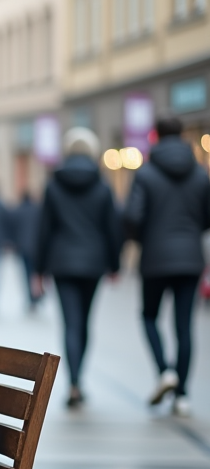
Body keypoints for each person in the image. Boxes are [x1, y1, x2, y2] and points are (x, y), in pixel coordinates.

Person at [124, 116, 210, 417]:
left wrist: (143, 237)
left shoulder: (146, 173)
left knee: (149, 316)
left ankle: (164, 372)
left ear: (156, 135)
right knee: (184, 326)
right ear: (183, 135)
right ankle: (183, 394)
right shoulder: (200, 173)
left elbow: (133, 216)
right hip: (190, 259)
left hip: (156, 258)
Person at [34, 127, 122, 409]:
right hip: (94, 262)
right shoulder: (103, 184)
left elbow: (44, 230)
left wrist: (37, 270)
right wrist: (115, 264)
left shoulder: (53, 184)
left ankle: (73, 384)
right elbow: (113, 227)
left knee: (70, 322)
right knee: (84, 322)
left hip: (62, 262)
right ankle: (77, 379)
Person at [12, 190, 43, 310]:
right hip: (36, 247)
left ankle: (31, 297)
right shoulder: (38, 210)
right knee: (35, 273)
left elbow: (14, 228)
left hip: (23, 248)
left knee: (26, 273)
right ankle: (36, 296)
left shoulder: (18, 210)